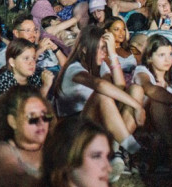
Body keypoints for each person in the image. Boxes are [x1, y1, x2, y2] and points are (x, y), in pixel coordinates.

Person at [52, 24, 146, 177]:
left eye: (105, 48)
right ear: (84, 49)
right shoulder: (73, 68)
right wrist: (137, 106)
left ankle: (117, 151)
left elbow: (119, 87)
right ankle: (135, 150)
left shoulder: (99, 65)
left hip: (96, 124)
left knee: (136, 90)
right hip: (75, 131)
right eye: (100, 48)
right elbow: (100, 86)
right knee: (102, 94)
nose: (104, 53)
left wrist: (113, 54)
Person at [0, 38, 53, 116]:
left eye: (33, 58)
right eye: (26, 58)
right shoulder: (4, 83)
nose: (32, 63)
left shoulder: (33, 77)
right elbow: (23, 114)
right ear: (12, 62)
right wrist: (45, 87)